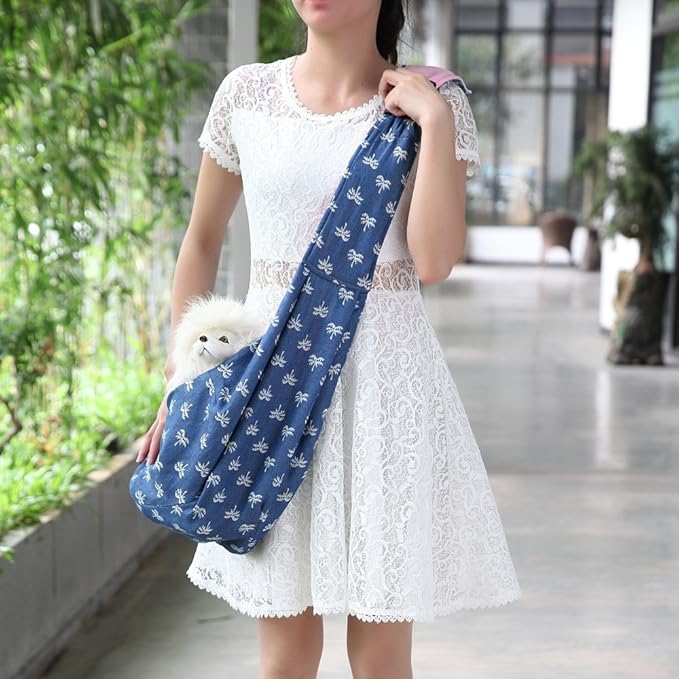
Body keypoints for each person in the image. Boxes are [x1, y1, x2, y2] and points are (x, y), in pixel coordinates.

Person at [136, 0, 521, 677]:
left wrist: (432, 121)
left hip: (384, 390)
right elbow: (200, 240)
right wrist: (183, 379)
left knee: (379, 658)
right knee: (285, 656)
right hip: (272, 383)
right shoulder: (246, 94)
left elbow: (433, 260)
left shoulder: (432, 102)